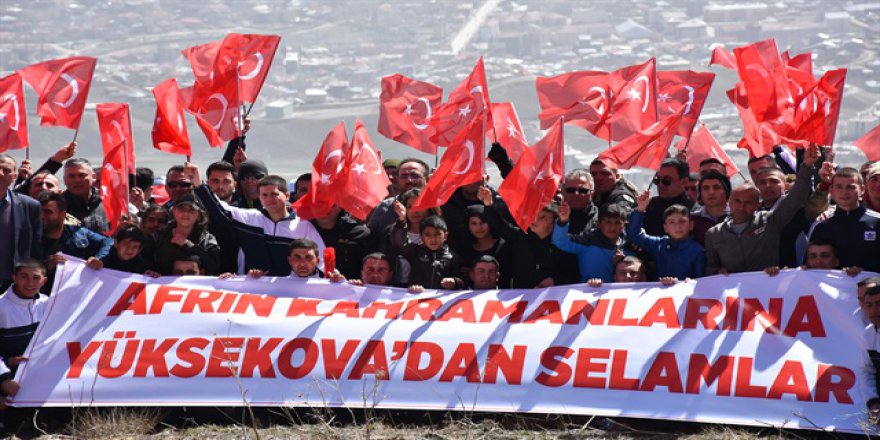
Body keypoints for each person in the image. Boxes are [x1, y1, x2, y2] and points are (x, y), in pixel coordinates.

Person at [190, 163, 325, 276]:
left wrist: (330, 278)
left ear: (287, 195)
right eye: (264, 195)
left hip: (289, 292)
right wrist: (199, 185)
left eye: (274, 194)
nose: (269, 199)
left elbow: (322, 261)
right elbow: (219, 209)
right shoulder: (250, 218)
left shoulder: (303, 226)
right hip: (253, 291)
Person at [704, 144, 819, 275]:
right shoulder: (714, 234)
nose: (741, 207)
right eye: (737, 201)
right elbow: (709, 268)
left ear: (757, 205)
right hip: (732, 288)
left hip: (768, 285)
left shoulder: (770, 221)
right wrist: (717, 271)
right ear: (729, 202)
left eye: (748, 203)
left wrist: (807, 166)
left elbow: (796, 197)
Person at [810, 166, 880, 273]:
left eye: (850, 187)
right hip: (830, 283)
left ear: (862, 190)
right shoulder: (821, 226)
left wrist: (864, 272)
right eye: (839, 187)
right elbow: (810, 264)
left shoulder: (876, 222)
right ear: (831, 191)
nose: (844, 192)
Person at [39, 192, 112, 292]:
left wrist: (99, 259)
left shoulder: (79, 233)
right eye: (39, 211)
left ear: (63, 215)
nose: (42, 216)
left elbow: (108, 241)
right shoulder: (30, 239)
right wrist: (45, 266)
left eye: (48, 212)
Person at [627, 192, 705, 280]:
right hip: (659, 289)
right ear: (665, 228)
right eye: (672, 222)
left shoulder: (698, 251)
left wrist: (684, 283)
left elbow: (700, 281)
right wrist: (640, 209)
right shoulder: (659, 244)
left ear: (691, 225)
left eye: (682, 221)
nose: (677, 226)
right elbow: (634, 235)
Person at [553, 203, 631, 283]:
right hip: (589, 290)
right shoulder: (588, 241)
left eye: (617, 223)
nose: (612, 227)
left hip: (621, 290)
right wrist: (563, 221)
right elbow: (560, 241)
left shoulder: (629, 246)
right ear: (598, 224)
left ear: (624, 225)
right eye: (608, 222)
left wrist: (623, 261)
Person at [146, 195, 220, 276]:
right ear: (173, 212)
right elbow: (147, 262)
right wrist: (152, 273)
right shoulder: (158, 236)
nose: (185, 213)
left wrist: (188, 245)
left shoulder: (207, 240)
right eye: (181, 209)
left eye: (191, 210)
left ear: (199, 215)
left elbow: (213, 266)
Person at [390, 210, 464, 291]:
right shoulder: (415, 252)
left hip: (441, 298)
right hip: (416, 296)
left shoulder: (453, 257)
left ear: (445, 236)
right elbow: (399, 242)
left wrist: (455, 282)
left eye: (437, 234)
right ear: (421, 237)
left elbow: (464, 281)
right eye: (428, 235)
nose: (433, 239)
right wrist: (401, 221)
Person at [0, 154, 41, 292]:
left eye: (6, 170)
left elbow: (36, 246)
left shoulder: (30, 206)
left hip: (13, 284)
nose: (0, 174)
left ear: (14, 176)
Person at [0, 259, 48, 375]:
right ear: (14, 278)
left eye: (36, 278)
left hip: (41, 374)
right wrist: (7, 364)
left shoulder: (47, 303)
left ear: (44, 281)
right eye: (24, 277)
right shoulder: (1, 305)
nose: (30, 283)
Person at [367, 158, 430, 234]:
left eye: (414, 175)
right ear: (398, 180)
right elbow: (370, 237)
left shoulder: (437, 206)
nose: (409, 180)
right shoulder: (386, 207)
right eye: (404, 176)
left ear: (427, 179)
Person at [311, 205, 374, 280]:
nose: (324, 209)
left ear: (339, 207)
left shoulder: (360, 234)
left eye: (331, 205)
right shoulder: (300, 228)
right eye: (318, 204)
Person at [642, 158, 694, 236]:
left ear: (684, 182)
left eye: (667, 180)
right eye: (657, 180)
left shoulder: (693, 210)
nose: (660, 184)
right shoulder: (648, 205)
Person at [61, 158, 108, 233]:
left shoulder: (108, 201)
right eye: (71, 176)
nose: (77, 180)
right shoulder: (58, 205)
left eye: (82, 175)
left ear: (93, 177)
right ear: (64, 180)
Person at [690, 171, 731, 245]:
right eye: (706, 188)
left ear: (726, 191)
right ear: (700, 194)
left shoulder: (737, 217)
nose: (711, 192)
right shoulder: (692, 219)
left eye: (716, 188)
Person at [860, 284, 880, 423]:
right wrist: (873, 402)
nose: (874, 310)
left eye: (879, 304)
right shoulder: (869, 334)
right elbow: (866, 371)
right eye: (869, 305)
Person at [559, 169, 599, 235]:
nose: (576, 194)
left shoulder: (601, 219)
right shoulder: (551, 217)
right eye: (570, 190)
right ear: (562, 192)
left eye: (582, 190)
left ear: (592, 194)